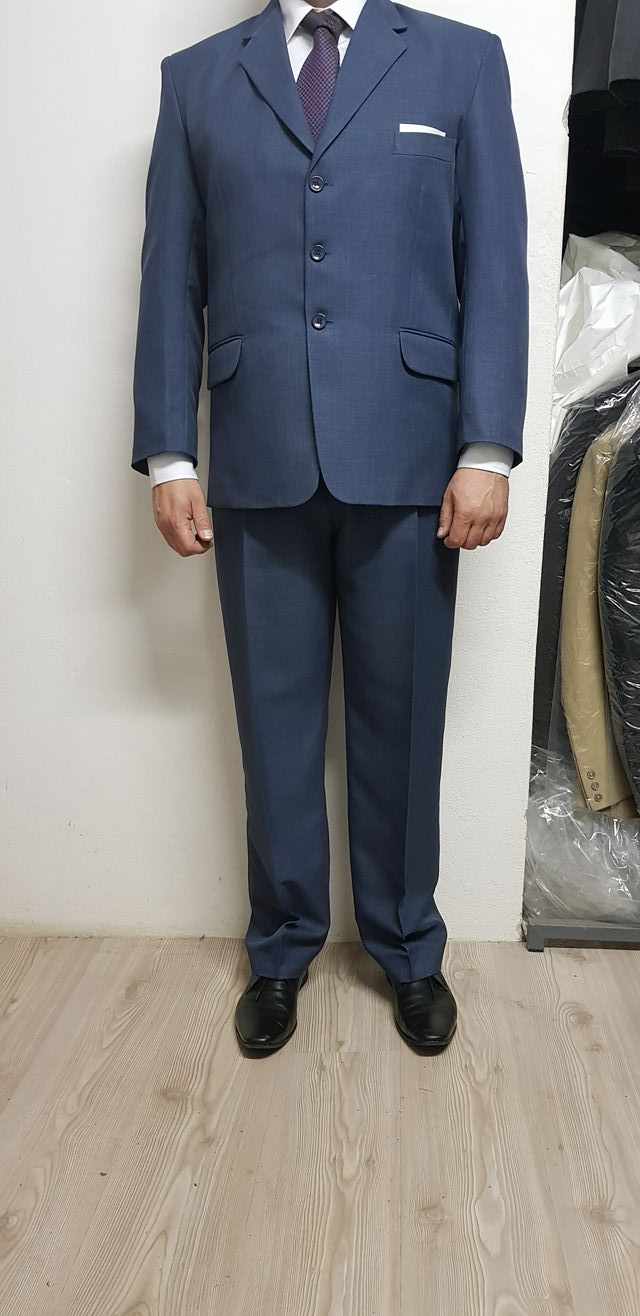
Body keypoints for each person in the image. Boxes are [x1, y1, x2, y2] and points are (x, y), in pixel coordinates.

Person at [131, 0, 529, 1055]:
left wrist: (487, 447)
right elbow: (170, 276)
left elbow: (493, 259)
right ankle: (281, 948)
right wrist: (170, 453)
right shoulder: (196, 80)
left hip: (411, 458)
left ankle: (408, 947)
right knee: (273, 725)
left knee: (404, 719)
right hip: (256, 455)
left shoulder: (461, 63)